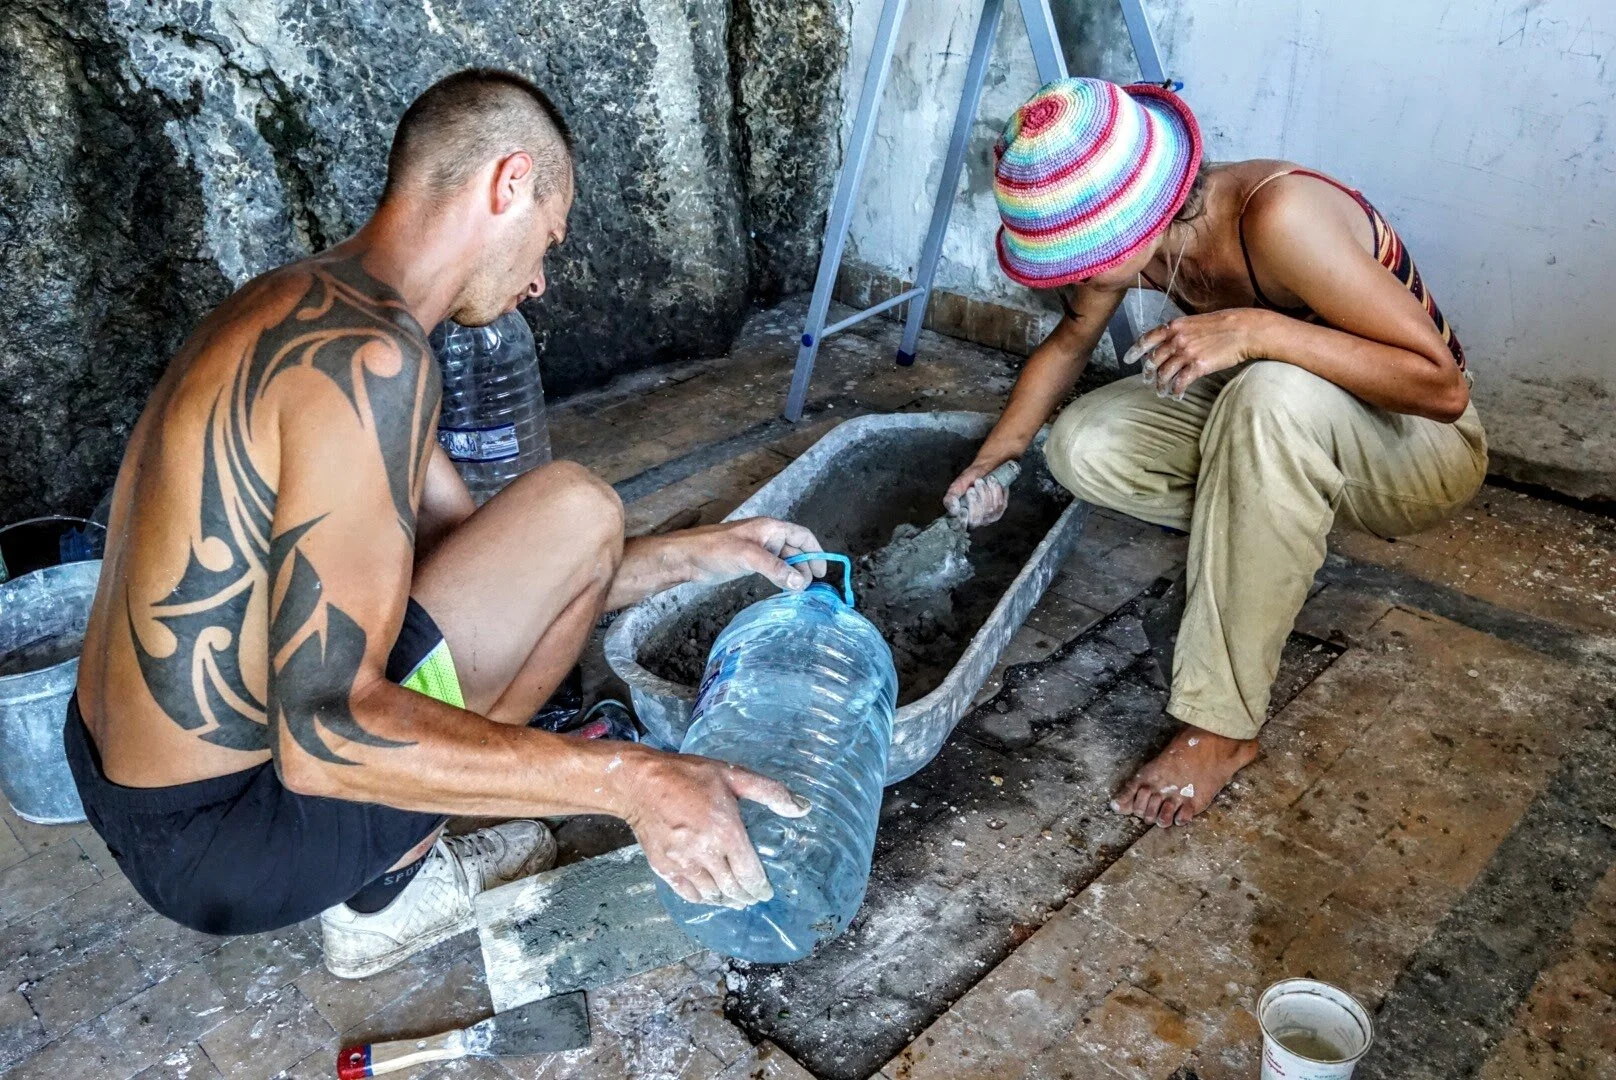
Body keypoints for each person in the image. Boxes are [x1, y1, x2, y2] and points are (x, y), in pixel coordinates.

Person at [70, 68, 827, 979]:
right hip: (234, 838)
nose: (539, 280)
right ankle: (387, 885)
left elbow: (496, 573)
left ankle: (394, 841)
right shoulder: (371, 359)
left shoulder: (308, 305)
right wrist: (634, 783)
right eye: (549, 239)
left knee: (568, 524)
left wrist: (697, 556)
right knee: (577, 504)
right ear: (510, 181)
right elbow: (324, 734)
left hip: (118, 779)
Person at [946, 78, 1485, 829]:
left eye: (1081, 258)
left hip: (1420, 446)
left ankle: (1222, 728)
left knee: (1268, 390)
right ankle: (1269, 533)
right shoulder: (1140, 240)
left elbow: (1442, 388)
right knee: (1083, 444)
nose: (1073, 276)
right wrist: (994, 459)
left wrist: (1257, 330)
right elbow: (1069, 342)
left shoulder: (1279, 217)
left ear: (1135, 222)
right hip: (1285, 421)